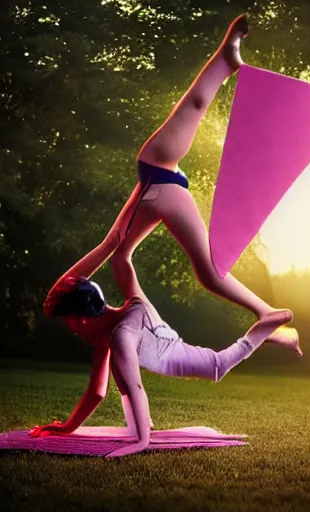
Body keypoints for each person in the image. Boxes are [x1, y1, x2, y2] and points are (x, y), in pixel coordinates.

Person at [52, 13, 294, 342]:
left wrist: (59, 295)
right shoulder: (116, 272)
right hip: (161, 180)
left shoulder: (117, 259)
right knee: (197, 269)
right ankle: (264, 313)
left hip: (159, 180)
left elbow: (110, 251)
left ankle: (264, 312)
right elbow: (112, 253)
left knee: (149, 259)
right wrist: (143, 316)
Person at [30, 271, 300, 457]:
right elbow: (97, 391)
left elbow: (136, 387)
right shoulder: (111, 330)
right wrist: (67, 427)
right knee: (119, 367)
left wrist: (142, 443)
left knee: (218, 367)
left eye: (68, 324)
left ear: (81, 319)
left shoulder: (121, 336)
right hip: (159, 339)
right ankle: (277, 336)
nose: (71, 331)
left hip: (178, 353)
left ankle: (281, 317)